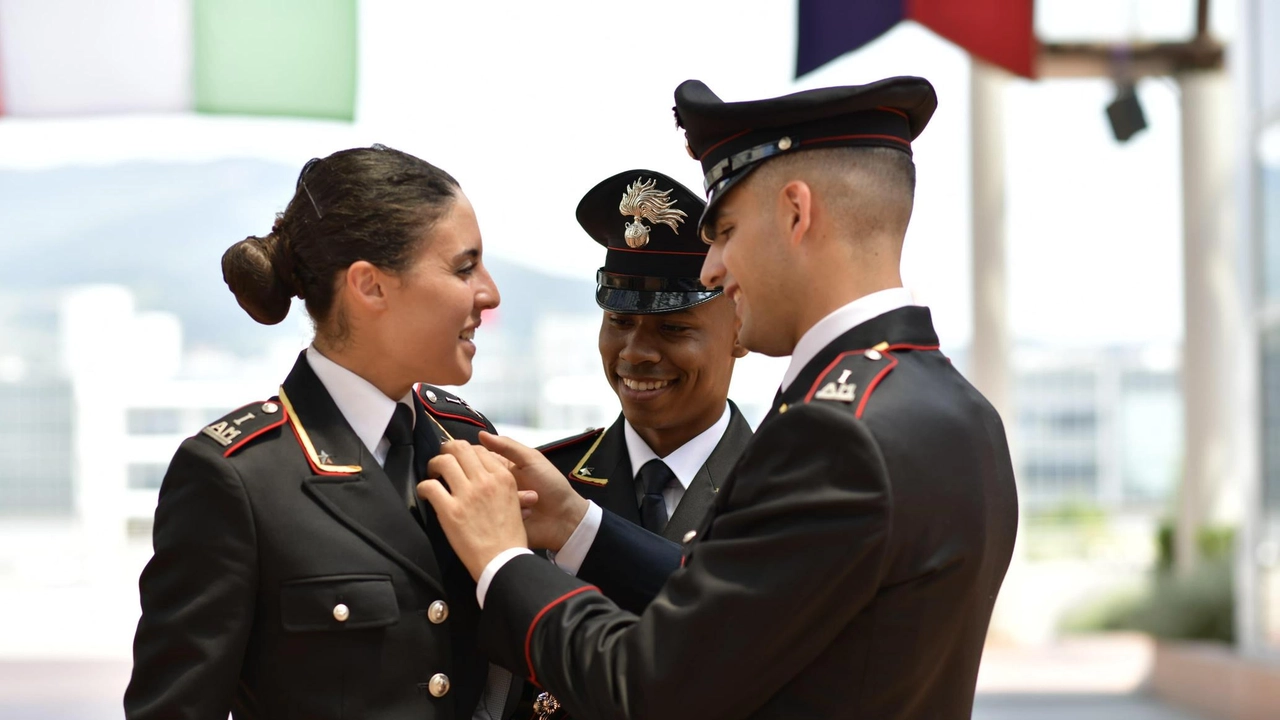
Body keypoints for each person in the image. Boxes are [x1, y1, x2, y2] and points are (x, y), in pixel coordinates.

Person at [417, 77, 1020, 720]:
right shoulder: (957, 409)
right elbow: (757, 610)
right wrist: (576, 524)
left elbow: (651, 684)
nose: (712, 268)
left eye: (725, 230)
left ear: (796, 212)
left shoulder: (834, 436)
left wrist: (503, 559)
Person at [124, 145, 526, 720]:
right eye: (464, 268)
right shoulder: (238, 477)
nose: (488, 294)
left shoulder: (466, 437)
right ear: (370, 286)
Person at [536, 169, 751, 590]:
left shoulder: (783, 490)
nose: (635, 351)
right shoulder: (543, 483)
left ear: (741, 330)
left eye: (672, 328)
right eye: (619, 320)